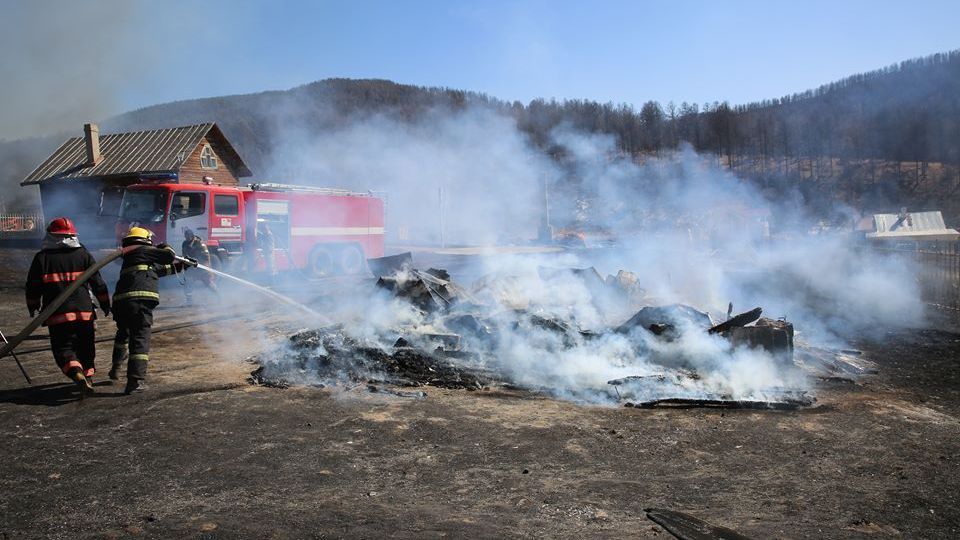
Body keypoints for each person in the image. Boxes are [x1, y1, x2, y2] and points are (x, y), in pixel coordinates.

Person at [25, 217, 110, 395]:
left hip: (58, 315)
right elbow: (98, 283)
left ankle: (76, 374)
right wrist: (104, 304)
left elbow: (33, 286)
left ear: (50, 236)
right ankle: (88, 377)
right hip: (84, 313)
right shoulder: (84, 254)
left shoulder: (42, 258)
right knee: (86, 347)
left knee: (64, 348)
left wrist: (33, 306)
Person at [110, 227, 193, 394]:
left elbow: (157, 271)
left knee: (123, 333)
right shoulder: (144, 250)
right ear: (145, 239)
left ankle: (116, 368)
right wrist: (165, 246)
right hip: (139, 303)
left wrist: (183, 266)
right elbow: (168, 256)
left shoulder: (132, 256)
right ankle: (135, 381)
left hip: (121, 303)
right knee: (140, 338)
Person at [181, 228, 218, 305]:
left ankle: (218, 298)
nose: (186, 238)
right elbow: (184, 255)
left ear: (192, 236)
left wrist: (200, 265)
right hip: (191, 267)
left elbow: (205, 257)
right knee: (187, 284)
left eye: (188, 236)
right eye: (185, 236)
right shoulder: (184, 244)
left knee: (208, 283)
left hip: (202, 267)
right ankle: (189, 301)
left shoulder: (200, 244)